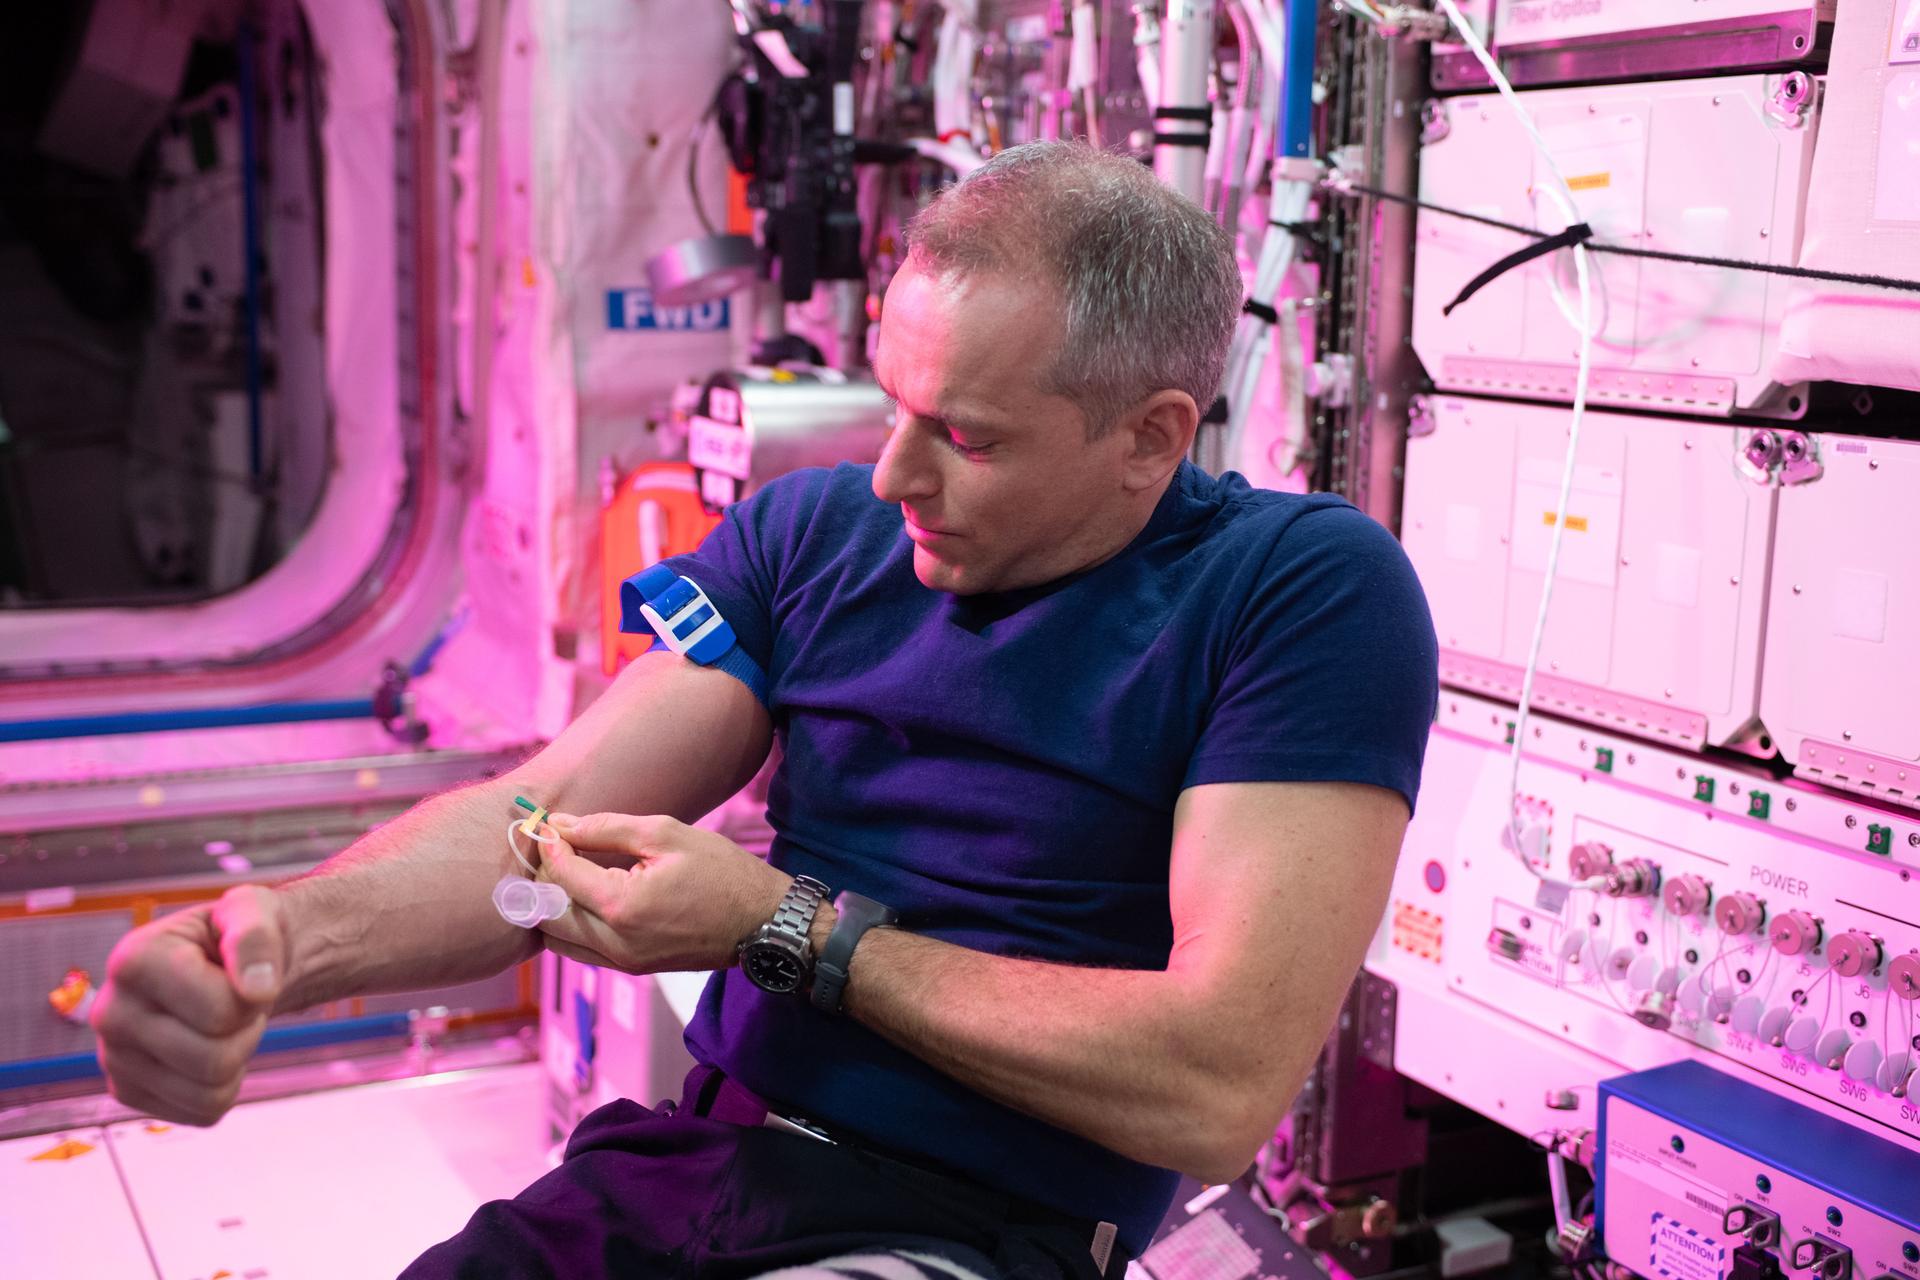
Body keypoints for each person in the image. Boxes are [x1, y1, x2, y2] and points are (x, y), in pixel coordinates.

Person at [88, 140, 1439, 1280]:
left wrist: (783, 931)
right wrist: (274, 943)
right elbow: (538, 826)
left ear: (1149, 437)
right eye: (893, 403)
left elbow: (1216, 1083)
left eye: (962, 435)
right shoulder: (814, 542)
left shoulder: (1300, 591)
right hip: (693, 1164)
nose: (893, 473)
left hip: (973, 1230)